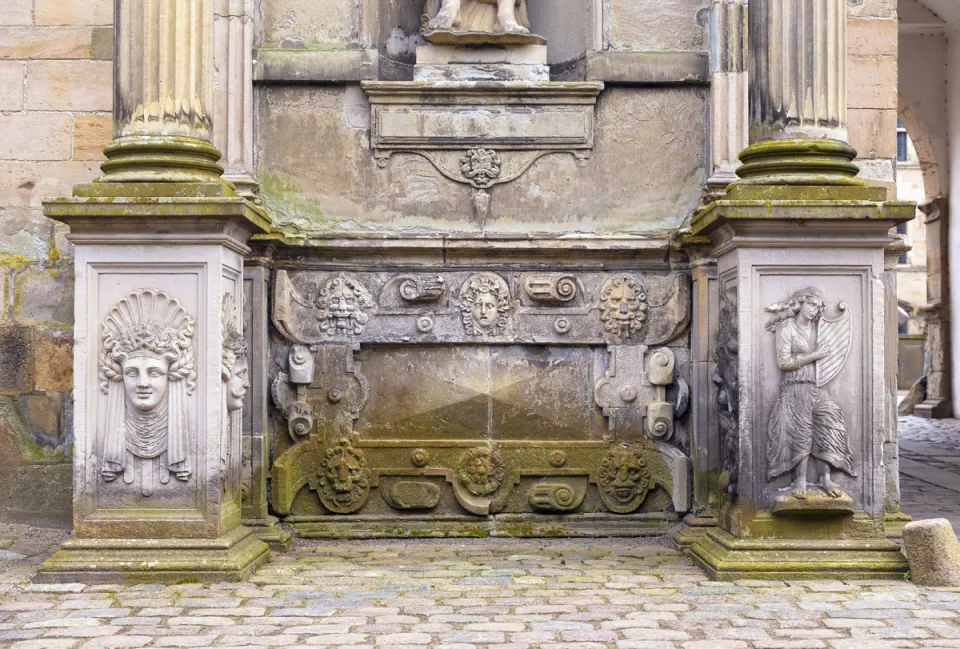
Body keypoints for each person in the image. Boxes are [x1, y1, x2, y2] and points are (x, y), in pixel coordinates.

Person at [765, 287, 857, 499]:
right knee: (801, 431)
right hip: (794, 387)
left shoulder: (819, 328)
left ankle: (825, 477)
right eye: (811, 304)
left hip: (816, 386)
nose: (814, 310)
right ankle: (800, 479)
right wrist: (814, 355)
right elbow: (784, 362)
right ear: (800, 303)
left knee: (830, 423)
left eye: (817, 306)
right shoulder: (786, 327)